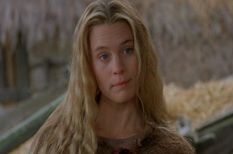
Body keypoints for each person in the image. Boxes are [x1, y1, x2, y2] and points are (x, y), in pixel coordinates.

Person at [30, 0, 195, 153]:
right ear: (87, 66)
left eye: (127, 50)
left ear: (143, 55)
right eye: (104, 56)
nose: (118, 68)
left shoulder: (172, 149)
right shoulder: (57, 145)